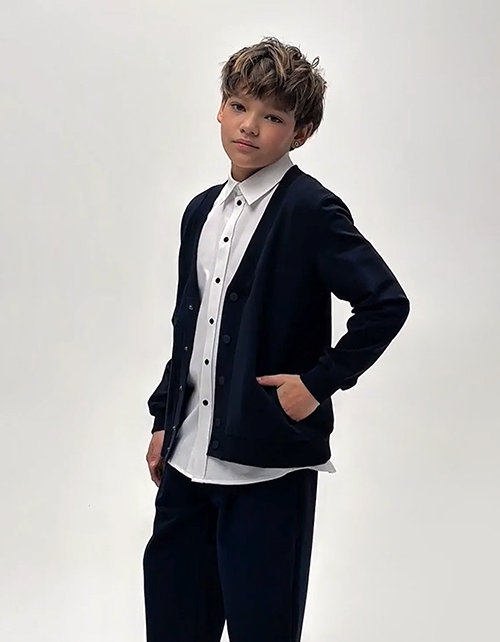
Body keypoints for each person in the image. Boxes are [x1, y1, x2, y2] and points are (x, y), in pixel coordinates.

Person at [142, 36, 410, 642]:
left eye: (272, 117)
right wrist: (164, 419)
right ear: (220, 109)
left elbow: (385, 303)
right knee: (173, 624)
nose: (250, 126)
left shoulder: (311, 211)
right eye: (239, 107)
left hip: (267, 473)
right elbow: (191, 328)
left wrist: (316, 384)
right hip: (186, 465)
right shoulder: (201, 212)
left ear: (301, 132)